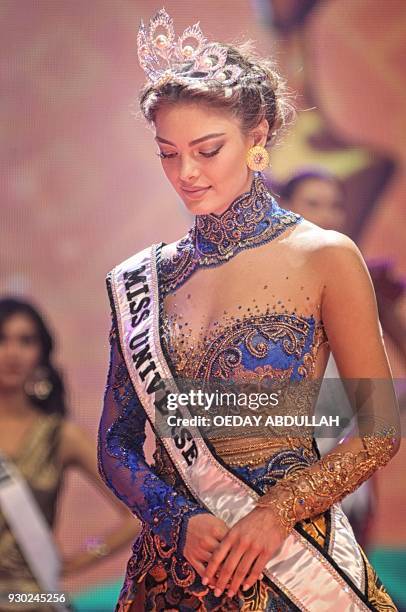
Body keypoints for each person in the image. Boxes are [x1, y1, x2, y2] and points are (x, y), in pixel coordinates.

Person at [98, 9, 400, 611]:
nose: (186, 173)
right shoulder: (145, 278)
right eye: (167, 153)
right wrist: (175, 518)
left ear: (257, 135)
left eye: (207, 150)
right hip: (172, 568)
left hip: (290, 560)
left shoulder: (323, 256)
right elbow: (116, 442)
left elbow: (378, 431)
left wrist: (273, 515)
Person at [0, 298, 140, 611]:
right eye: (2, 339)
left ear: (41, 353)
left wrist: (84, 556)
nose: (12, 353)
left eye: (26, 340)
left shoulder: (59, 435)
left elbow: (135, 513)